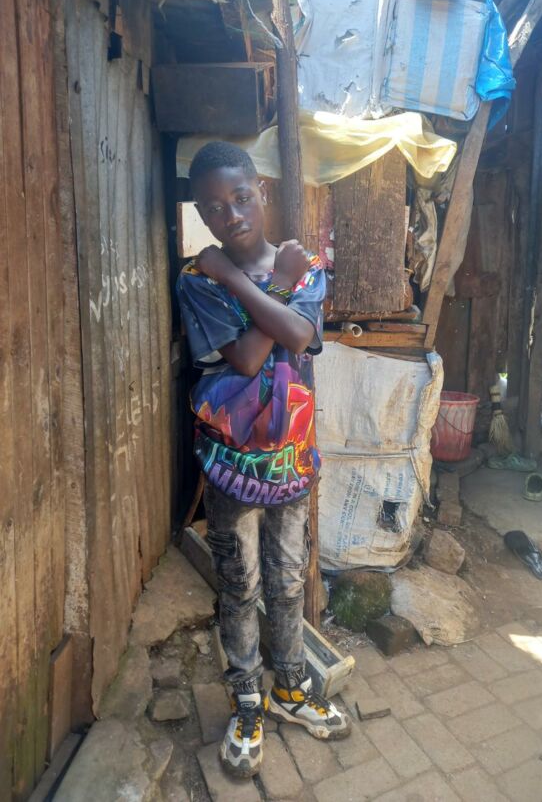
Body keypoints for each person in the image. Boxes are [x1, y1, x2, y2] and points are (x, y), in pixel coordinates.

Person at [176, 141, 351, 778]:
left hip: (292, 460)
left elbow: (299, 335)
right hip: (231, 466)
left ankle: (291, 688)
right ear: (201, 213)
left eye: (242, 198)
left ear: (263, 192)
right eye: (214, 207)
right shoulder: (198, 282)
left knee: (286, 578)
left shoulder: (304, 267)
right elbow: (249, 359)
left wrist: (248, 280)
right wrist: (249, 281)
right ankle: (247, 700)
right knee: (239, 583)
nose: (231, 215)